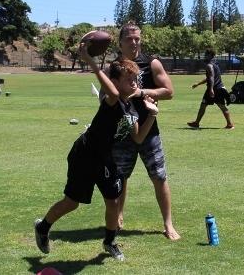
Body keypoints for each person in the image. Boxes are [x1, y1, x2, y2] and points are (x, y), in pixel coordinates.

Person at [34, 41, 159, 261]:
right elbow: (110, 89)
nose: (135, 83)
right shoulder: (112, 100)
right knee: (72, 202)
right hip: (84, 154)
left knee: (113, 201)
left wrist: (151, 114)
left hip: (105, 158)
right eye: (129, 80)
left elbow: (138, 137)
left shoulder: (131, 109)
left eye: (135, 79)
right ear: (116, 83)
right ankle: (43, 227)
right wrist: (90, 61)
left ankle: (109, 242)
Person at [100, 21, 181, 240]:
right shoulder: (113, 67)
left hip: (149, 131)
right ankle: (117, 217)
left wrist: (141, 92)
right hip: (122, 133)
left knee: (159, 177)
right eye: (129, 38)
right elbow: (103, 96)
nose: (134, 42)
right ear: (120, 42)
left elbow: (169, 91)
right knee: (120, 177)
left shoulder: (151, 63)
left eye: (137, 38)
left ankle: (168, 224)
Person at [187, 48, 234, 129]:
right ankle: (229, 124)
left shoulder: (209, 66)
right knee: (208, 105)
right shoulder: (215, 65)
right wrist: (198, 84)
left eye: (206, 54)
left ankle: (197, 123)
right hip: (218, 88)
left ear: (211, 56)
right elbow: (209, 78)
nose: (205, 56)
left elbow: (211, 77)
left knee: (207, 105)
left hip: (214, 89)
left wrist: (211, 89)